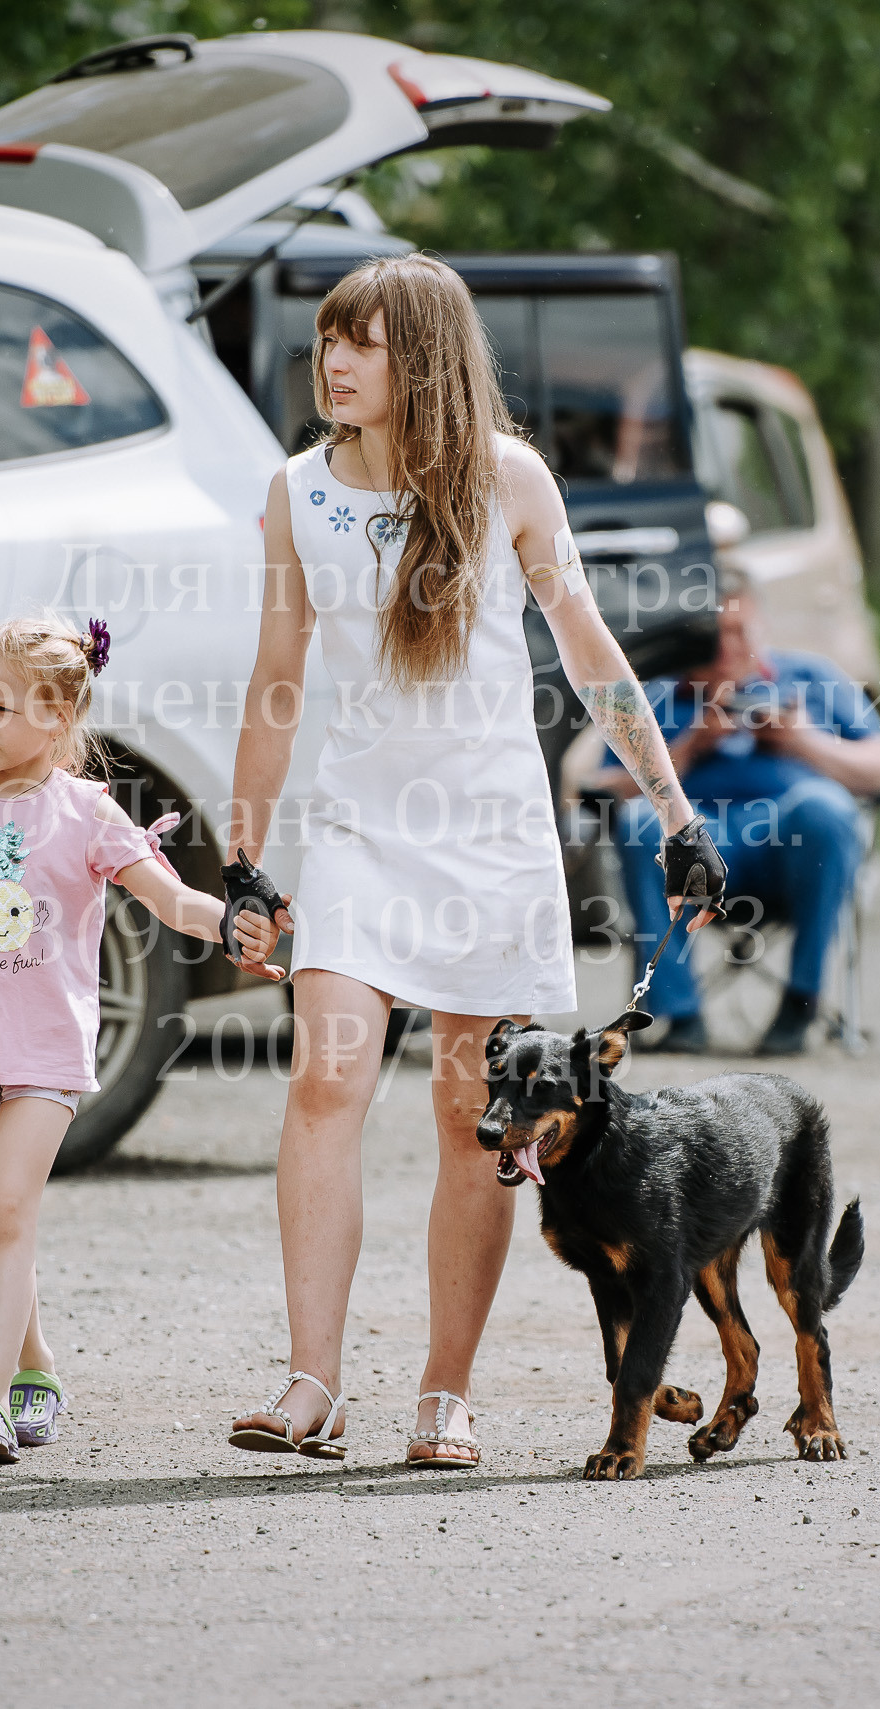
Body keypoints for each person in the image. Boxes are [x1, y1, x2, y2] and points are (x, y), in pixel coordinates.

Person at [224, 254, 724, 1469]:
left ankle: (444, 1394)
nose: (334, 362)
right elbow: (278, 679)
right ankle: (310, 1384)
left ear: (427, 359)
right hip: (355, 831)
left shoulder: (507, 477)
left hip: (493, 837)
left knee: (471, 1120)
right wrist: (243, 849)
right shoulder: (294, 490)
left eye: (366, 343)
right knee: (324, 1085)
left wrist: (675, 813)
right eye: (329, 341)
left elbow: (591, 648)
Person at [0, 614, 283, 1464]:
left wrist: (231, 925)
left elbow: (169, 899)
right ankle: (39, 1369)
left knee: (9, 1208)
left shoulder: (87, 811)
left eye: (2, 708)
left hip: (45, 1048)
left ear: (57, 715)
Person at [602, 570, 880, 1056]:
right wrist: (687, 749)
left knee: (824, 806)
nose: (729, 647)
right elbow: (601, 790)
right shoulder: (659, 694)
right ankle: (679, 1016)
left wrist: (802, 742)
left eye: (741, 631)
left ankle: (801, 1002)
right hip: (698, 849)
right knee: (641, 820)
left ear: (763, 627)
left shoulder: (812, 678)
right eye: (717, 634)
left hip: (788, 848)